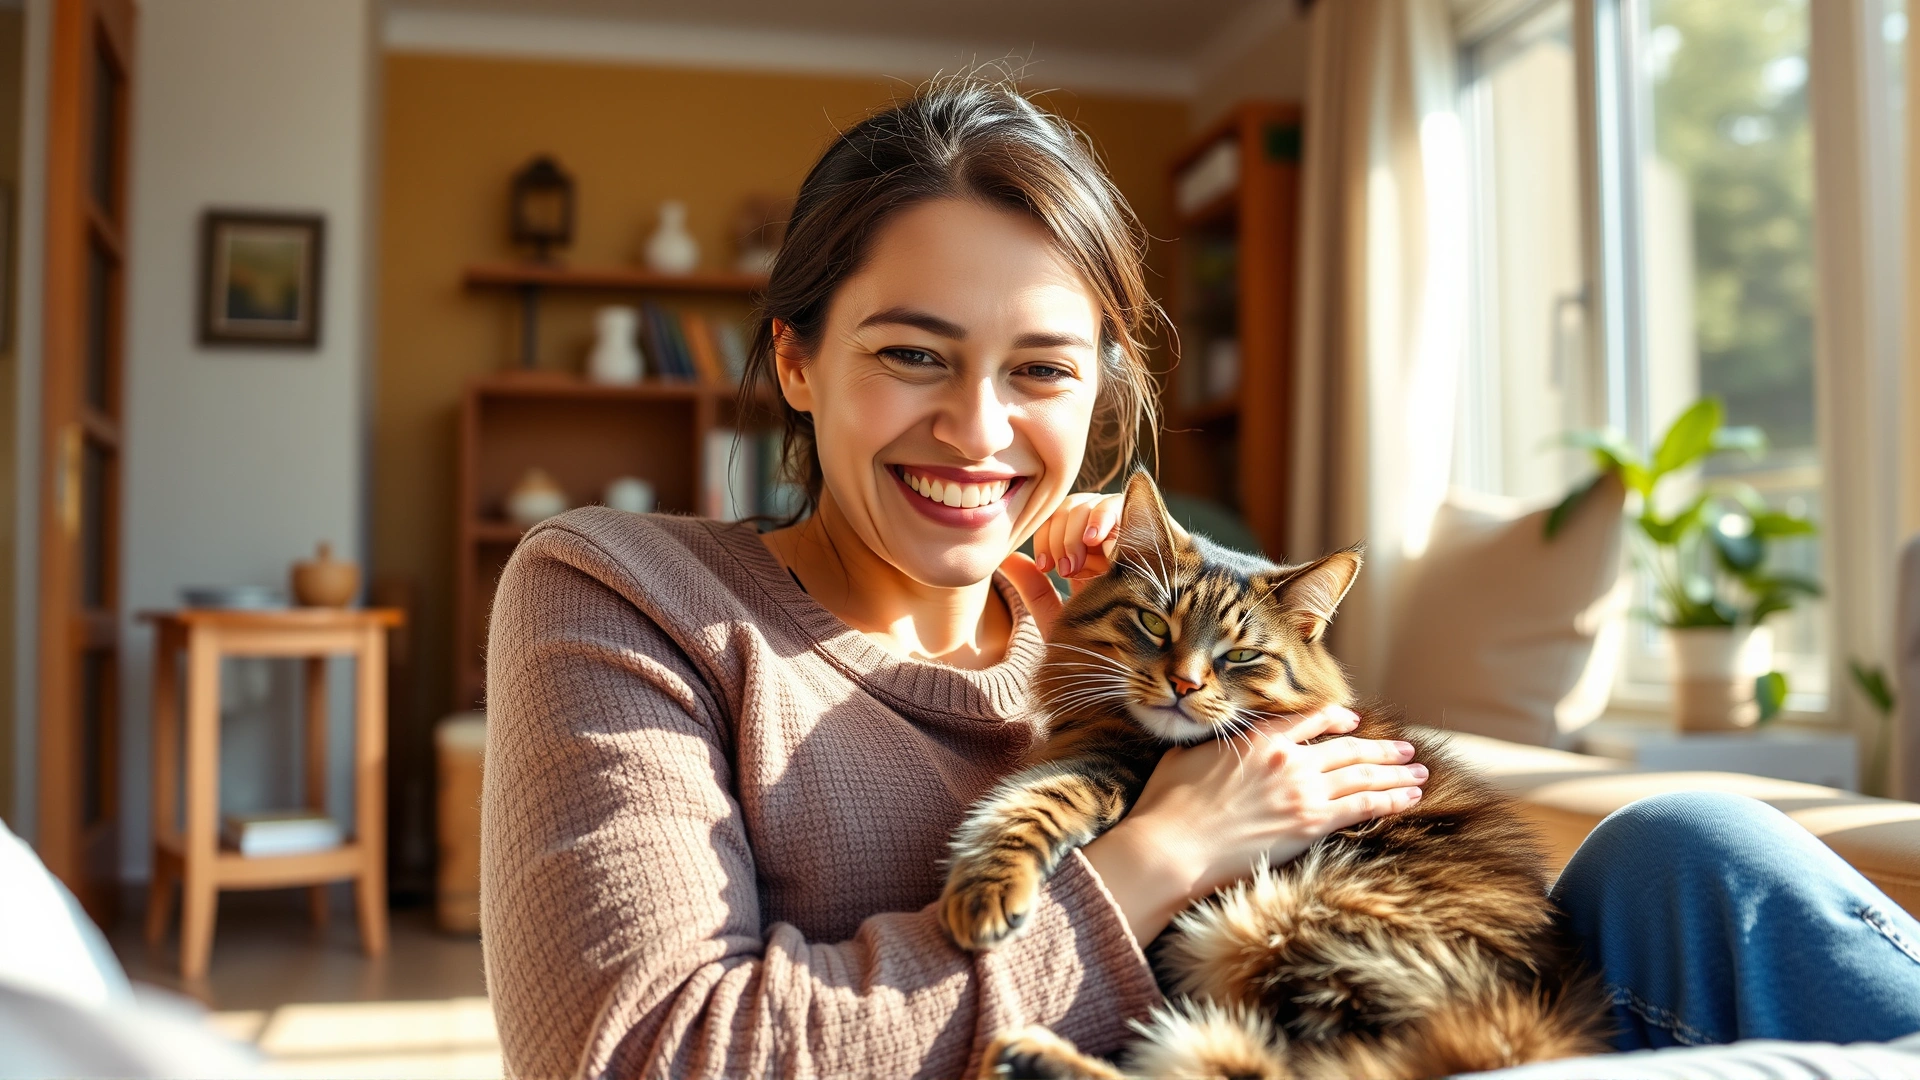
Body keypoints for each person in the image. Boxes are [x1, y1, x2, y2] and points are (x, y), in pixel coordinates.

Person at [479, 77, 1920, 1080]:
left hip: (1398, 1020)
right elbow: (649, 1055)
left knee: (1692, 848)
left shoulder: (1121, 610)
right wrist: (1158, 853)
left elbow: (1348, 779)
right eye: (913, 353)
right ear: (796, 358)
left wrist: (1150, 576)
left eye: (1041, 372)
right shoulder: (626, 588)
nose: (978, 433)